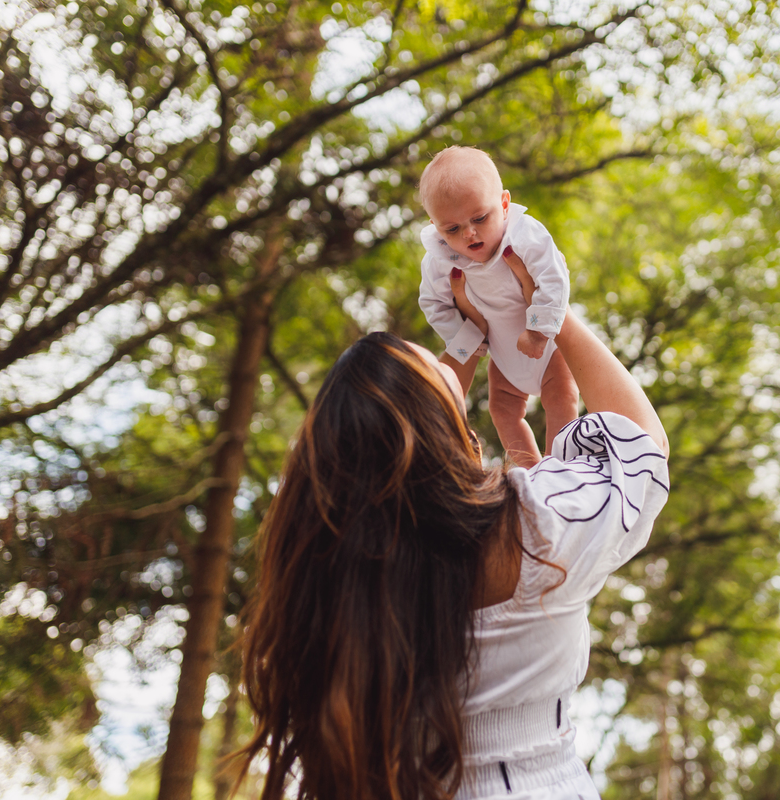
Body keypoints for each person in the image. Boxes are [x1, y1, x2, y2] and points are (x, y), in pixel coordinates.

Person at [238, 249, 669, 800]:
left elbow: (413, 444)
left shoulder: (324, 591)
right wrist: (547, 308)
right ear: (449, 435)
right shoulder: (537, 526)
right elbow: (642, 449)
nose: (453, 367)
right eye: (441, 374)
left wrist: (469, 339)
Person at [417, 146, 578, 467]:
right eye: (452, 228)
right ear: (436, 227)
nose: (469, 233)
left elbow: (555, 278)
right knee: (502, 410)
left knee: (561, 399)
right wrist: (470, 341)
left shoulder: (524, 235)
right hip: (504, 357)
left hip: (550, 349)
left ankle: (558, 466)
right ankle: (531, 470)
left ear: (504, 205)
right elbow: (433, 304)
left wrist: (538, 331)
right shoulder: (440, 259)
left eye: (479, 218)